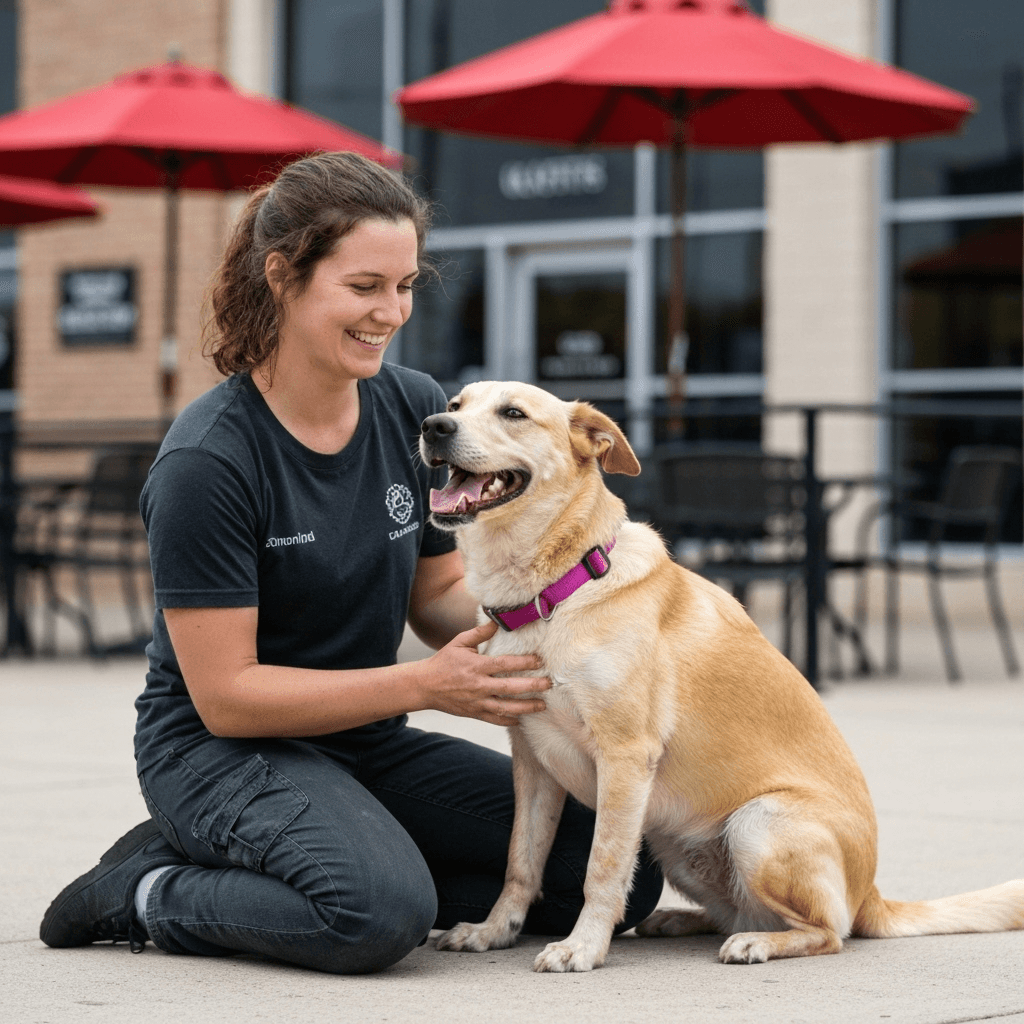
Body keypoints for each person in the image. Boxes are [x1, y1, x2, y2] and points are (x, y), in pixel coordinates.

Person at [38, 151, 663, 975]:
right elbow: (227, 698)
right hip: (220, 753)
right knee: (372, 914)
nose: (391, 312)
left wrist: (574, 622)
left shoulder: (411, 403)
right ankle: (145, 886)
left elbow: (438, 589)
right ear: (282, 276)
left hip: (363, 742)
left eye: (405, 286)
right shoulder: (208, 462)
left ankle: (315, 852)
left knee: (623, 873)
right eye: (364, 287)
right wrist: (423, 687)